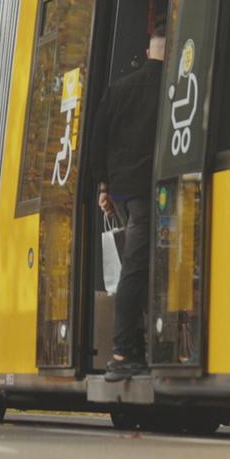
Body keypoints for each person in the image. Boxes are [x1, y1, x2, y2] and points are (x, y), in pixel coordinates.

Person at [91, 25, 165, 382]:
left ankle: (140, 344)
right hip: (153, 193)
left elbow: (98, 140)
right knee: (138, 269)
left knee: (138, 267)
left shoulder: (119, 89)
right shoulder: (172, 87)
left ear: (148, 51)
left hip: (124, 194)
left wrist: (105, 188)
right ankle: (123, 351)